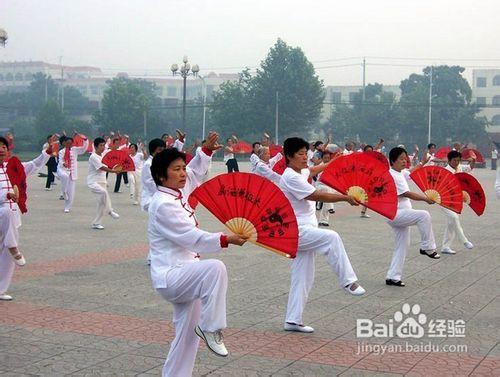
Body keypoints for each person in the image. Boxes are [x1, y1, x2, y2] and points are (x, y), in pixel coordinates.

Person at [148, 132, 247, 376]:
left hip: (186, 272)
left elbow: (196, 172)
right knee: (215, 269)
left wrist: (206, 151)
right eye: (176, 169)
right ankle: (212, 327)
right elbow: (193, 239)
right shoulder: (163, 204)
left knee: (186, 336)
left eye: (182, 168)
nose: (183, 173)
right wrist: (225, 239)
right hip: (171, 276)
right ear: (162, 175)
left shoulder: (177, 192)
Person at [279, 137, 365, 334]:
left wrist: (336, 161)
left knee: (303, 277)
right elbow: (316, 195)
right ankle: (348, 282)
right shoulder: (290, 177)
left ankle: (293, 320)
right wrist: (345, 197)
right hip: (297, 231)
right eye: (300, 154)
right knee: (331, 237)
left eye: (305, 153)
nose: (305, 157)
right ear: (289, 156)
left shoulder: (300, 171)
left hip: (305, 230)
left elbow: (315, 169)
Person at [0, 136, 53, 300]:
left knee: (6, 256)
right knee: (7, 213)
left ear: (8, 150)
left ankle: (1, 289)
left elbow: (35, 164)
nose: (1, 149)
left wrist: (47, 153)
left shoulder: (15, 167)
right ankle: (13, 247)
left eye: (3, 146)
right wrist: (6, 194)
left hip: (11, 217)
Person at [385, 147, 438, 287]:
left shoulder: (399, 172)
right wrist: (426, 198)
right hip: (396, 214)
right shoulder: (393, 175)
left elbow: (410, 173)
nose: (405, 161)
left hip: (399, 214)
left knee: (402, 246)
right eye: (401, 159)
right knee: (424, 215)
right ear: (393, 161)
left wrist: (423, 163)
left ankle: (393, 277)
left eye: (405, 158)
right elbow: (407, 193)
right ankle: (427, 247)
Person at [440, 150, 475, 254]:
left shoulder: (459, 167)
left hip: (455, 200)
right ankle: (464, 240)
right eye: (454, 160)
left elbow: (469, 168)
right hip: (444, 199)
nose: (456, 162)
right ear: (449, 160)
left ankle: (445, 246)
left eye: (458, 160)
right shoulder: (445, 171)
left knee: (451, 223)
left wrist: (473, 160)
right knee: (454, 217)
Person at [87, 138, 122, 230]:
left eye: (103, 145)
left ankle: (96, 223)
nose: (102, 147)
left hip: (102, 181)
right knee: (104, 193)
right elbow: (102, 167)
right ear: (95, 147)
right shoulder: (93, 156)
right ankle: (110, 211)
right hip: (93, 182)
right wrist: (113, 171)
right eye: (100, 146)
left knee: (101, 204)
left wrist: (116, 167)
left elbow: (110, 160)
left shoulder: (104, 155)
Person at [57, 134, 89, 213]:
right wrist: (63, 164)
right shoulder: (62, 151)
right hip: (63, 170)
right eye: (67, 143)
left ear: (72, 143)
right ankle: (63, 192)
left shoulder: (75, 150)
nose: (69, 144)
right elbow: (60, 161)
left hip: (72, 173)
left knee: (71, 192)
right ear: (64, 143)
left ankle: (67, 206)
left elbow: (83, 149)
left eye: (70, 143)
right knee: (64, 177)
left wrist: (85, 140)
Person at [141, 138, 166, 212]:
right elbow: (150, 184)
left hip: (160, 196)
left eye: (163, 150)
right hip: (151, 199)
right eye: (159, 150)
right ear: (153, 150)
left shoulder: (160, 162)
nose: (162, 152)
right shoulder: (148, 165)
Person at [315, 151, 336, 227]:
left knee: (327, 200)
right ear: (322, 158)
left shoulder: (332, 166)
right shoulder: (320, 166)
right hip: (320, 186)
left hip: (329, 187)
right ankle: (331, 208)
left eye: (328, 158)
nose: (327, 159)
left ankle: (324, 221)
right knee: (328, 193)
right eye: (325, 158)